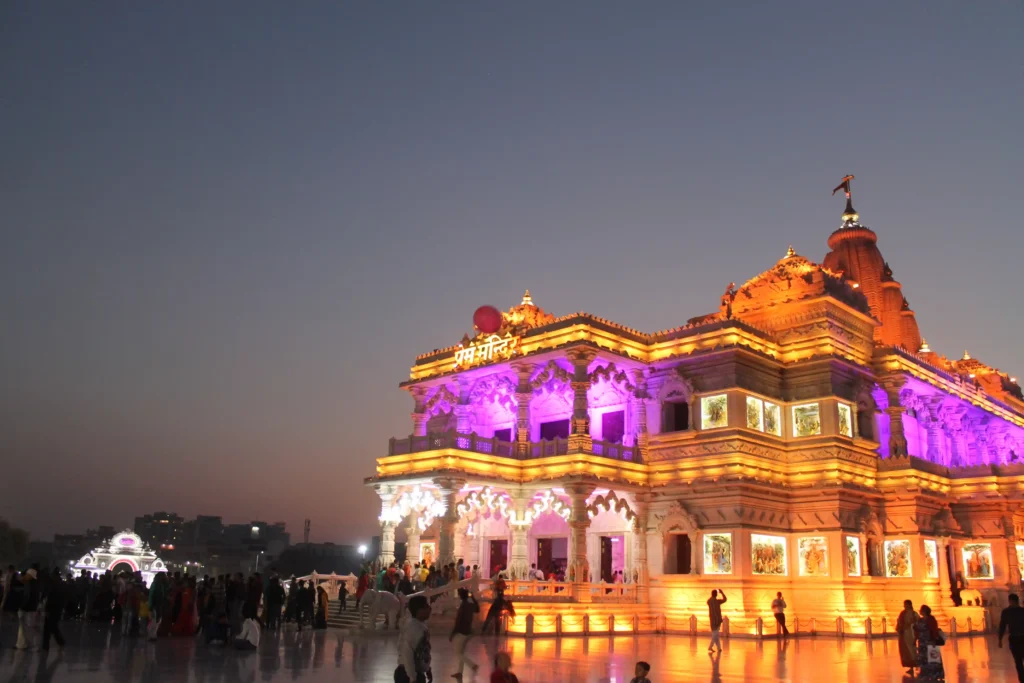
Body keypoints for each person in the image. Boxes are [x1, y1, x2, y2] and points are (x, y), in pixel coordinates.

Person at [396, 595, 432, 683]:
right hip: (408, 675)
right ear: (419, 610)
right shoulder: (414, 628)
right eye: (426, 606)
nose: (430, 608)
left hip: (414, 672)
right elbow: (407, 653)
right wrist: (412, 678)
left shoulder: (419, 625)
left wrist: (427, 668)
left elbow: (422, 651)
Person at [450, 588, 480, 679]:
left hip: (461, 632)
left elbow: (458, 622)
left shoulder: (462, 607)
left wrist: (453, 633)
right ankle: (459, 672)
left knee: (458, 653)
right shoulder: (470, 605)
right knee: (461, 652)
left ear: (460, 596)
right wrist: (473, 598)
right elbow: (478, 609)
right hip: (468, 631)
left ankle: (472, 665)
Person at [915, 604, 945, 681]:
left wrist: (934, 640)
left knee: (933, 659)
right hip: (922, 642)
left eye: (921, 610)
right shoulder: (920, 620)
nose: (920, 611)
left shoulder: (931, 619)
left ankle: (935, 674)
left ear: (924, 611)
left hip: (930, 641)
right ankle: (925, 674)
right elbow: (917, 630)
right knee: (924, 659)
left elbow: (934, 630)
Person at [999, 593, 1024, 682]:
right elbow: (1002, 626)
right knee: (1018, 660)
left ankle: (1022, 678)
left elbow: (1002, 626)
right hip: (1018, 638)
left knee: (1018, 661)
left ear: (1011, 601)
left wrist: (1000, 639)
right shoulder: (1021, 611)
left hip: (1015, 639)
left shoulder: (1006, 612)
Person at [15, 567, 40, 651]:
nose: (25, 576)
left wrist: (22, 607)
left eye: (27, 574)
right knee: (27, 627)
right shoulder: (35, 584)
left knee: (29, 628)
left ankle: (34, 645)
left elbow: (27, 597)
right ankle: (23, 644)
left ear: (30, 575)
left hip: (27, 609)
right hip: (32, 608)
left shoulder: (29, 584)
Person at [41, 568, 65, 652]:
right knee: (53, 627)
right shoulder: (61, 585)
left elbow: (50, 599)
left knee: (48, 628)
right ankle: (60, 642)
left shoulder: (53, 585)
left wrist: (47, 609)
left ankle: (45, 646)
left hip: (52, 609)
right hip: (57, 609)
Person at [896, 599, 919, 676]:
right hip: (904, 634)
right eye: (904, 604)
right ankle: (911, 667)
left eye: (906, 604)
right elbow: (899, 622)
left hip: (911, 634)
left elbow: (918, 623)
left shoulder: (914, 614)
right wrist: (900, 628)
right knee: (905, 650)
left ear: (910, 605)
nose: (905, 606)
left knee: (912, 649)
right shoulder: (902, 613)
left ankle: (915, 664)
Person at [707, 589, 726, 653]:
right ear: (716, 595)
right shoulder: (717, 601)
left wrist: (713, 595)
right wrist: (722, 592)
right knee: (715, 634)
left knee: (716, 634)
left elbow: (708, 600)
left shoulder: (709, 601)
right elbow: (725, 599)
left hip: (712, 620)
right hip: (717, 620)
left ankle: (719, 648)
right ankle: (710, 646)